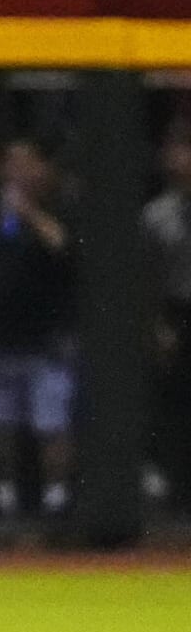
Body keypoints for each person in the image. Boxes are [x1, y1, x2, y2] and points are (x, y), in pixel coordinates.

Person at [0, 137, 77, 517]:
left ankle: (57, 495)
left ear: (45, 168)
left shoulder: (62, 207)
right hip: (2, 335)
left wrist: (29, 214)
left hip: (48, 338)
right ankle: (7, 491)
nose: (18, 172)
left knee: (51, 421)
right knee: (2, 421)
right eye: (12, 163)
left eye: (27, 163)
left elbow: (66, 250)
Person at [142, 132, 191, 513]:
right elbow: (149, 277)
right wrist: (158, 324)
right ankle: (178, 489)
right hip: (177, 314)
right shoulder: (157, 214)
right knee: (175, 405)